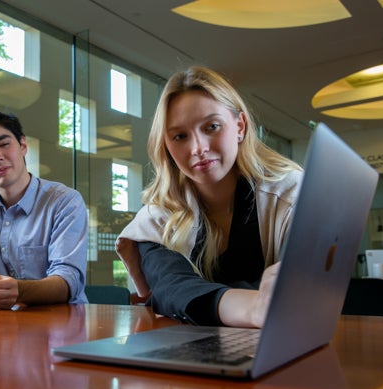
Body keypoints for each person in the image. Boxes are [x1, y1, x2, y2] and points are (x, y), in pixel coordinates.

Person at [116, 66, 303, 328]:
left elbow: (301, 291)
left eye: (212, 127)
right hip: (186, 351)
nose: (198, 148)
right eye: (180, 136)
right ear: (166, 146)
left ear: (240, 127)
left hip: (282, 341)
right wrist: (254, 308)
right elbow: (171, 287)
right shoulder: (156, 218)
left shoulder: (292, 194)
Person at [0, 110, 88, 308]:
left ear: (23, 145)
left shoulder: (64, 201)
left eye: (4, 144)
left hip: (59, 322)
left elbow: (68, 279)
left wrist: (18, 290)